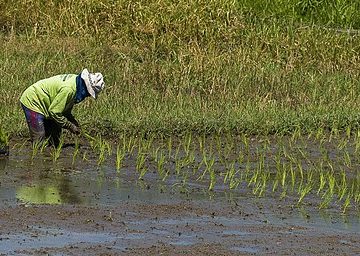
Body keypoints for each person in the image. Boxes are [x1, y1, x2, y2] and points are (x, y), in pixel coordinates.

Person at [20, 69, 105, 147]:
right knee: (39, 140)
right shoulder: (69, 89)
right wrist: (70, 126)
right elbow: (54, 112)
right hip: (33, 100)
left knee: (55, 137)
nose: (87, 96)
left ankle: (50, 157)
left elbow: (63, 109)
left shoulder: (76, 83)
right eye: (88, 93)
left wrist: (73, 121)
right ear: (85, 88)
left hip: (48, 104)